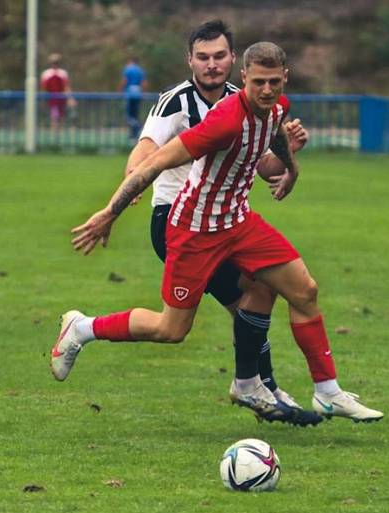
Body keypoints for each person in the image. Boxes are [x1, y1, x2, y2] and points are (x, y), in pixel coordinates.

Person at [53, 41, 384, 425]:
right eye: (258, 82)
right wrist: (110, 212)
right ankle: (83, 327)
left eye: (274, 82)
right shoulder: (224, 119)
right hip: (194, 230)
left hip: (239, 223)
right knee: (171, 329)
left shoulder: (278, 104)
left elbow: (273, 131)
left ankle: (325, 392)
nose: (266, 90)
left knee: (301, 290)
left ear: (284, 78)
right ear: (244, 77)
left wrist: (291, 168)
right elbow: (155, 161)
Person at [123, 20, 313, 422]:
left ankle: (262, 389)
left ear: (234, 61)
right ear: (190, 60)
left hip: (225, 224)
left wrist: (288, 154)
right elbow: (148, 149)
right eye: (203, 57)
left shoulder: (246, 98)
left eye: (219, 56)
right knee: (233, 305)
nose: (212, 65)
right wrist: (132, 181)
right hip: (178, 220)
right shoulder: (175, 101)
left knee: (258, 294)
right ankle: (263, 390)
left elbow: (265, 168)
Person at [40, 53, 77, 134]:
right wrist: (43, 98)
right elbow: (43, 87)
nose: (55, 64)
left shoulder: (63, 73)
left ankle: (59, 133)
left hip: (61, 98)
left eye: (56, 62)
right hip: (51, 98)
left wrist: (70, 98)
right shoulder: (46, 73)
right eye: (53, 62)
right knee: (54, 115)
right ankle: (54, 132)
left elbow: (66, 86)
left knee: (61, 115)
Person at [119, 56, 148, 142]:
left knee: (129, 115)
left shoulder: (128, 69)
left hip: (129, 93)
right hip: (138, 93)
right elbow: (144, 83)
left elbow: (124, 80)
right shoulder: (140, 70)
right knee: (135, 114)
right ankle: (134, 134)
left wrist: (120, 90)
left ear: (130, 61)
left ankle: (137, 128)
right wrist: (143, 92)